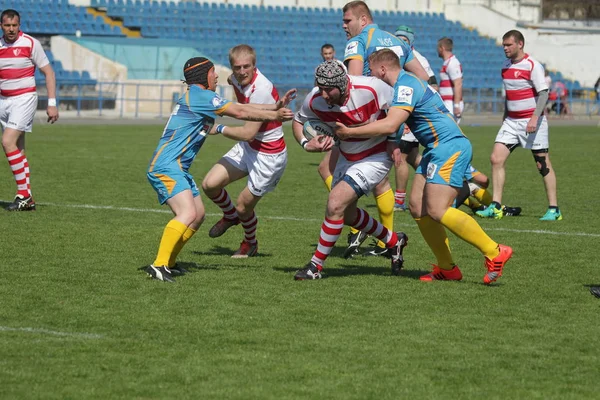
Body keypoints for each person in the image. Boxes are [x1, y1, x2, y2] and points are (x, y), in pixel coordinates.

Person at [336, 49, 513, 284]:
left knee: (438, 210)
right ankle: (447, 268)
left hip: (449, 147)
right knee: (418, 207)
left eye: (371, 69)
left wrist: (349, 132)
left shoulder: (406, 85)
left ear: (382, 69)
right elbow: (397, 121)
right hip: (436, 149)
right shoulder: (405, 85)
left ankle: (494, 251)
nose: (369, 74)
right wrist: (395, 144)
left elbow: (391, 124)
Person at [144, 56, 294, 282]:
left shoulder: (199, 96)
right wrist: (274, 116)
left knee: (197, 216)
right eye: (213, 72)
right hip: (166, 167)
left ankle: (170, 263)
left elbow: (242, 107)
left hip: (177, 167)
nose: (216, 76)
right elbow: (241, 113)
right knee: (187, 214)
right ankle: (159, 265)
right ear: (204, 76)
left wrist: (274, 106)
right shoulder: (201, 96)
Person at [292, 60, 408, 280]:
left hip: (376, 155)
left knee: (335, 203)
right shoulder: (315, 100)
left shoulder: (372, 88)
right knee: (347, 214)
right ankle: (394, 241)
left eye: (329, 89)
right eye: (321, 88)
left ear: (343, 84)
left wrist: (394, 140)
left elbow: (400, 108)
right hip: (347, 156)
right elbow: (298, 121)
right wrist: (307, 144)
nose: (324, 94)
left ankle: (315, 266)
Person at [334, 0, 429, 258]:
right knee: (377, 180)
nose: (344, 26)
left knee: (335, 174)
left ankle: (371, 231)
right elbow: (423, 78)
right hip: (391, 118)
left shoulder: (358, 41)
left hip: (366, 119)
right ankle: (375, 232)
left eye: (347, 20)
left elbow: (353, 83)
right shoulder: (397, 43)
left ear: (363, 20)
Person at [201, 45, 293, 258]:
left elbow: (247, 133)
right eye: (237, 67)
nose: (242, 71)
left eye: (246, 67)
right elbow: (239, 96)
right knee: (210, 185)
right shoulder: (234, 79)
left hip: (269, 154)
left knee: (244, 207)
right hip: (249, 147)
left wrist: (219, 128)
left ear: (254, 65)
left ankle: (249, 243)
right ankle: (230, 216)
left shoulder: (261, 87)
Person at [476, 30, 562, 221]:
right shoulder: (505, 66)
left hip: (533, 122)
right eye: (504, 45)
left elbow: (544, 94)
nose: (505, 48)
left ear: (520, 44)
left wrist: (533, 118)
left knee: (542, 165)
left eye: (509, 45)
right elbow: (510, 95)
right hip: (511, 122)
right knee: (496, 158)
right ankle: (496, 206)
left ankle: (554, 210)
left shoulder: (533, 65)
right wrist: (506, 116)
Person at [0, 9, 58, 211]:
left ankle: (23, 194)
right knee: (18, 148)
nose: (11, 29)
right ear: (1, 26)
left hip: (24, 99)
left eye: (14, 25)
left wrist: (52, 103)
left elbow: (48, 73)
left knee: (7, 141)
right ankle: (27, 198)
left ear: (19, 25)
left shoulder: (30, 43)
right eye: (7, 25)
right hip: (3, 101)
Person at [393, 25, 437, 211]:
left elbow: (431, 83)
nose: (401, 42)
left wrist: (415, 113)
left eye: (404, 39)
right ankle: (450, 185)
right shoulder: (397, 58)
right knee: (412, 158)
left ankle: (399, 201)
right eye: (398, 39)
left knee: (400, 157)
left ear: (410, 42)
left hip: (412, 114)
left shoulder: (417, 59)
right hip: (404, 112)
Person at [437, 37, 463, 122]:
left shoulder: (452, 63)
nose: (437, 50)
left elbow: (458, 84)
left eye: (438, 48)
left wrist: (456, 105)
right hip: (447, 102)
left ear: (442, 48)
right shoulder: (447, 62)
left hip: (451, 103)